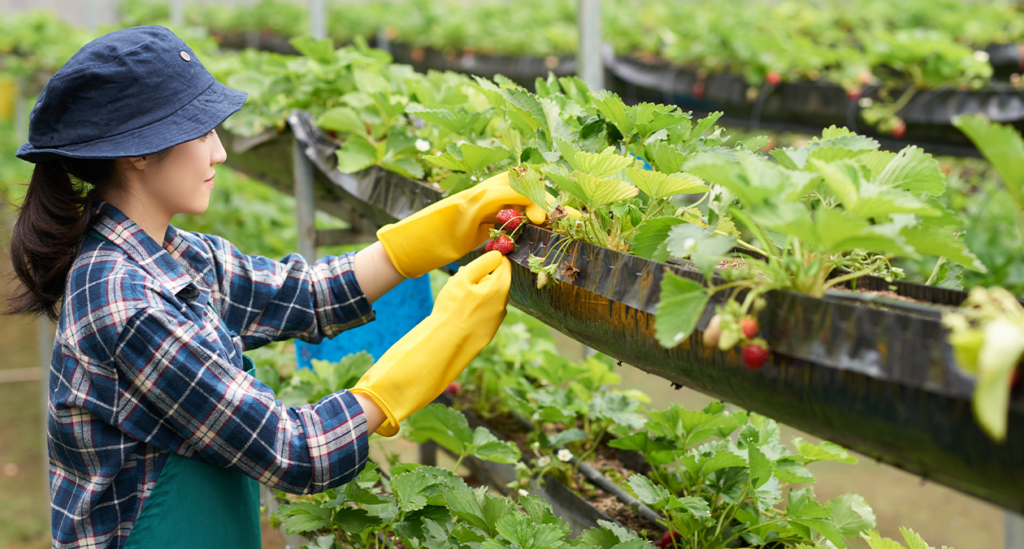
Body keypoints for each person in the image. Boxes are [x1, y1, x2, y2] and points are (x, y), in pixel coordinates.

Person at [6, 26, 541, 549]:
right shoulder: (126, 302)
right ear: (139, 152)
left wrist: (434, 232)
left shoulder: (172, 254)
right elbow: (297, 451)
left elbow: (304, 295)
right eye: (201, 131)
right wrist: (433, 348)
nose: (218, 152)